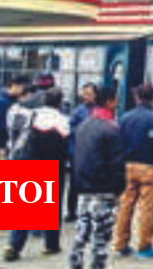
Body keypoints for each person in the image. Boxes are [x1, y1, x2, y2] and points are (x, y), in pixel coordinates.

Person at [2, 88, 71, 263]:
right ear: (59, 102)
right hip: (52, 164)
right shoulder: (62, 119)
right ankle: (51, 243)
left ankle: (14, 244)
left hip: (26, 160)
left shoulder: (29, 114)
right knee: (53, 205)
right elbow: (66, 146)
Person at [114, 83, 153, 259]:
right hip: (150, 167)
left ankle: (120, 244)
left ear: (136, 97)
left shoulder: (125, 118)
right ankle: (145, 246)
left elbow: (118, 144)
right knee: (147, 208)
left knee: (125, 206)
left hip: (128, 167)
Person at [70, 86, 126, 269]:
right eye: (115, 100)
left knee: (82, 231)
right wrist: (119, 187)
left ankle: (75, 262)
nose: (117, 103)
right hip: (104, 189)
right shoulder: (111, 129)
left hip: (83, 187)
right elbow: (117, 163)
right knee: (101, 236)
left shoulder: (83, 126)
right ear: (109, 102)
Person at [67, 84, 99, 223]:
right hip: (78, 153)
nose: (86, 97)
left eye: (89, 94)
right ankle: (72, 212)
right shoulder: (78, 112)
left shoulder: (99, 111)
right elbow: (70, 129)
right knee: (75, 184)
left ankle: (89, 212)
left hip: (94, 154)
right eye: (85, 94)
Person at [0, 78, 29, 152]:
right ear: (14, 85)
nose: (22, 90)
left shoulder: (11, 100)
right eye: (22, 87)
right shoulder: (1, 102)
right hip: (0, 143)